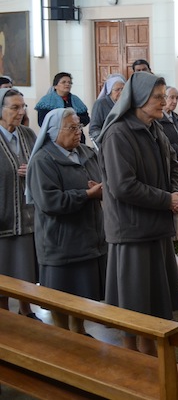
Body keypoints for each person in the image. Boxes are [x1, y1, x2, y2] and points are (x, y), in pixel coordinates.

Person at [96, 72, 178, 355]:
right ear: (138, 98)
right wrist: (167, 200)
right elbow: (123, 186)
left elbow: (174, 166)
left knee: (154, 308)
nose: (164, 102)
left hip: (156, 228)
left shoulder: (155, 129)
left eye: (163, 96)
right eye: (158, 97)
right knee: (133, 310)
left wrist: (176, 193)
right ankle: (133, 364)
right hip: (132, 232)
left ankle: (151, 362)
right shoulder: (118, 133)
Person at [27, 108, 106, 335]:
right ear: (53, 132)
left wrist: (102, 190)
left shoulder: (87, 153)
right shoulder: (43, 160)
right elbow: (49, 201)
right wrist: (86, 195)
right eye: (71, 128)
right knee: (60, 297)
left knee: (83, 295)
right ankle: (63, 336)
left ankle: (79, 332)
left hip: (88, 237)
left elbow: (103, 179)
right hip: (60, 242)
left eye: (79, 126)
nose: (78, 132)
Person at [0, 88, 38, 320]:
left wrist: (33, 170)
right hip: (3, 213)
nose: (21, 112)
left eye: (23, 106)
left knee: (26, 267)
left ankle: (26, 310)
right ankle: (4, 313)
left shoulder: (28, 134)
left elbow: (41, 161)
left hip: (27, 214)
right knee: (3, 267)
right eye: (14, 107)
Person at [34, 72, 91, 143]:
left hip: (77, 137)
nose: (67, 84)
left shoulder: (76, 100)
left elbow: (86, 119)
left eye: (69, 82)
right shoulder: (46, 101)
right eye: (63, 82)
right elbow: (42, 122)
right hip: (54, 139)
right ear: (55, 86)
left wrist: (76, 120)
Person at [88, 74, 125, 144]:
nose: (121, 92)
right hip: (108, 143)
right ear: (110, 91)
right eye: (117, 90)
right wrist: (105, 142)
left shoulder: (127, 103)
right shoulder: (100, 104)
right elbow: (94, 129)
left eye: (123, 89)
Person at [158, 86, 178, 157]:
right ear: (164, 98)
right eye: (172, 97)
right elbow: (159, 144)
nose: (175, 101)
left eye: (177, 98)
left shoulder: (176, 118)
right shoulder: (158, 118)